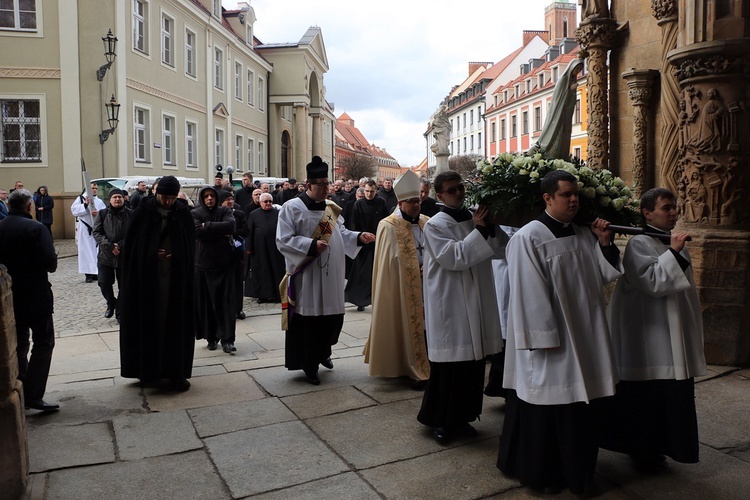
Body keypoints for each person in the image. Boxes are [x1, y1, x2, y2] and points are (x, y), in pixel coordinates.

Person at [497, 170, 622, 495]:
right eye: (565, 194)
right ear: (547, 198)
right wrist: (541, 340)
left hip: (585, 336)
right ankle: (546, 475)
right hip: (551, 344)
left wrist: (605, 245)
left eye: (575, 194)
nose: (573, 200)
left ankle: (578, 471)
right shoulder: (529, 238)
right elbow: (528, 295)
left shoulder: (582, 234)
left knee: (581, 411)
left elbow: (600, 277)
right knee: (551, 410)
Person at [604, 188, 706, 468]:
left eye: (674, 207)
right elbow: (652, 282)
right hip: (651, 337)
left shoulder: (667, 241)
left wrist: (673, 249)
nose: (673, 212)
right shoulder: (639, 243)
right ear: (647, 213)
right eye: (666, 208)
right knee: (647, 399)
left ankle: (664, 446)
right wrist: (673, 251)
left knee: (670, 397)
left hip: (671, 331)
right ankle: (642, 450)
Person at [416, 170, 507, 443]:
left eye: (461, 187)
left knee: (473, 363)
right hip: (451, 300)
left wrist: (490, 227)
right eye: (452, 190)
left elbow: (502, 249)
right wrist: (479, 230)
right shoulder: (434, 225)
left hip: (476, 296)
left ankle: (464, 417)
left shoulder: (472, 216)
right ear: (440, 195)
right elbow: (454, 258)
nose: (459, 193)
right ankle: (442, 420)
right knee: (452, 365)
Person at [276, 156, 375, 385]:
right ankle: (310, 364)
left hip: (331, 279)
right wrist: (310, 245)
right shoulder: (292, 208)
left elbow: (341, 234)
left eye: (327, 184)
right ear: (309, 185)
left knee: (332, 321)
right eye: (321, 185)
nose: (326, 189)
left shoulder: (331, 210)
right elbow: (283, 240)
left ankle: (323, 353)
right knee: (309, 323)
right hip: (307, 277)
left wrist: (359, 237)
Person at [119, 176, 196, 391]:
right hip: (148, 282)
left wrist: (177, 255)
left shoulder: (182, 213)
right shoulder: (142, 213)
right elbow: (133, 251)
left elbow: (190, 248)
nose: (168, 202)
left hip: (175, 279)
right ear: (156, 193)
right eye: (165, 197)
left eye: (172, 198)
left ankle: (175, 372)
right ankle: (148, 371)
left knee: (174, 321)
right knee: (150, 321)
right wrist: (152, 254)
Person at [363, 170, 430, 389]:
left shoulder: (426, 223)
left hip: (428, 285)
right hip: (402, 287)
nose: (415, 205)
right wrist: (413, 268)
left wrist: (428, 266)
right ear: (400, 203)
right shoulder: (388, 225)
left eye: (417, 201)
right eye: (411, 202)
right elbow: (388, 263)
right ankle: (408, 366)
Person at [0, 189, 59, 411]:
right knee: (43, 342)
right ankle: (34, 393)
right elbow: (50, 264)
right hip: (36, 294)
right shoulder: (36, 228)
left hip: (10, 296)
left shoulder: (1, 227)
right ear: (29, 207)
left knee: (19, 343)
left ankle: (22, 388)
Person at [192, 186, 237, 353]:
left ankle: (228, 339)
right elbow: (196, 231)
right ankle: (211, 337)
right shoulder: (196, 213)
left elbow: (231, 226)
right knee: (206, 305)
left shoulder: (225, 210)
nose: (209, 198)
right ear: (202, 199)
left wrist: (208, 226)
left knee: (225, 303)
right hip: (203, 265)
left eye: (212, 196)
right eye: (206, 196)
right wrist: (218, 229)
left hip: (223, 264)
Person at [345, 180, 388, 311]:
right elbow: (353, 223)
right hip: (363, 244)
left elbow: (386, 221)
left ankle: (379, 299)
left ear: (376, 191)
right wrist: (359, 237)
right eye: (367, 191)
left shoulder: (381, 202)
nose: (369, 194)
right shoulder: (358, 204)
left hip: (377, 242)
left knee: (378, 272)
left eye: (372, 191)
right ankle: (360, 301)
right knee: (361, 274)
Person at [529, 58, 584, 160]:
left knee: (565, 135)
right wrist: (570, 89)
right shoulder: (563, 79)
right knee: (555, 132)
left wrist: (572, 91)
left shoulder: (572, 80)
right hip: (558, 112)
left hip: (566, 112)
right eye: (577, 69)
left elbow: (571, 98)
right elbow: (558, 98)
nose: (578, 72)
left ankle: (562, 155)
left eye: (580, 69)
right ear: (571, 68)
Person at [92, 189, 132, 321]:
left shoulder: (130, 214)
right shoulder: (103, 214)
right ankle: (111, 302)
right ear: (110, 200)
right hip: (106, 256)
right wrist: (109, 246)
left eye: (119, 197)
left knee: (124, 286)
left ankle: (120, 311)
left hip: (124, 256)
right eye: (114, 197)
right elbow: (97, 232)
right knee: (104, 283)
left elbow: (134, 234)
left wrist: (120, 245)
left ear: (123, 199)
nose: (117, 199)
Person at [246, 192, 286, 303]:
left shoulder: (278, 213)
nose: (268, 203)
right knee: (262, 271)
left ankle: (278, 294)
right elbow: (250, 231)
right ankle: (262, 295)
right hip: (260, 249)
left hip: (275, 248)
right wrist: (248, 247)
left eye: (270, 201)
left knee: (277, 270)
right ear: (260, 202)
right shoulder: (254, 214)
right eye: (265, 201)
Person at [219, 190, 250, 319]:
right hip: (221, 254)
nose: (231, 201)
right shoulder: (217, 215)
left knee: (237, 282)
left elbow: (246, 230)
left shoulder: (239, 213)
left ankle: (238, 309)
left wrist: (231, 232)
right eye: (227, 200)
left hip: (237, 253)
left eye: (231, 199)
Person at [71, 183, 107, 283]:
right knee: (86, 251)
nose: (94, 190)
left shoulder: (99, 201)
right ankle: (88, 274)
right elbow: (74, 211)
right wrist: (85, 205)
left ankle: (95, 272)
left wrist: (98, 213)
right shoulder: (80, 199)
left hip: (96, 229)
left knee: (95, 252)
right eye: (92, 188)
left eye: (96, 188)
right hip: (85, 229)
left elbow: (105, 212)